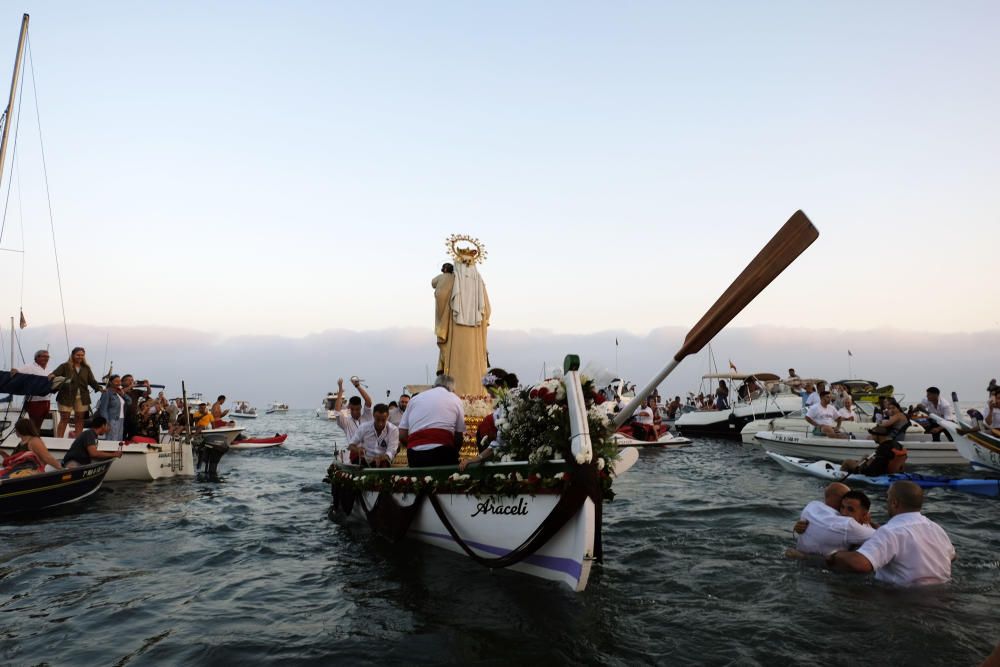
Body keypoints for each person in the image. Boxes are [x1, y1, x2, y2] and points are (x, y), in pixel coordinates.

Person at [827, 480, 956, 586]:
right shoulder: (936, 528)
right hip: (942, 593)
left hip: (903, 599)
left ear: (894, 503)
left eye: (887, 497)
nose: (886, 502)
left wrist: (834, 555)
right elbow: (953, 557)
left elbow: (860, 564)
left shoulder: (890, 532)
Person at [433, 249, 492, 396]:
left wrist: (444, 276)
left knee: (455, 366)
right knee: (475, 369)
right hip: (476, 335)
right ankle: (477, 398)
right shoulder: (479, 282)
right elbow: (488, 310)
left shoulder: (450, 279)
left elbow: (438, 290)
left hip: (455, 331)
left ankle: (453, 395)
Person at [399, 374, 465, 467]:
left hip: (415, 454)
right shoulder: (455, 399)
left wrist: (416, 445)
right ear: (452, 390)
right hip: (443, 452)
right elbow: (459, 437)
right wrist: (454, 452)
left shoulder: (414, 399)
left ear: (434, 386)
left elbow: (402, 435)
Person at [792, 483, 876, 556]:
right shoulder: (847, 524)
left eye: (850, 509)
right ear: (840, 501)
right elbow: (883, 536)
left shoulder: (812, 506)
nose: (844, 513)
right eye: (842, 507)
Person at [459, 369, 519, 470]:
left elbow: (500, 442)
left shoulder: (506, 406)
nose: (490, 396)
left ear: (497, 386)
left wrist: (477, 458)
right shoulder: (512, 400)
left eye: (490, 392)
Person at [51, 346, 103, 438]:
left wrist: (100, 389)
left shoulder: (86, 368)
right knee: (65, 418)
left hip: (82, 397)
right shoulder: (65, 366)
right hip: (66, 396)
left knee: (80, 419)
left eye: (82, 355)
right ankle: (59, 439)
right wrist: (51, 376)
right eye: (78, 355)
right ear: (73, 355)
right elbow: (54, 375)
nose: (80, 357)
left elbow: (92, 381)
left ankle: (78, 440)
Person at [841, 425, 908, 476]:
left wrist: (861, 469)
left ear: (878, 436)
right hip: (891, 471)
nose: (872, 437)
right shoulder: (897, 444)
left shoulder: (883, 449)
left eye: (873, 435)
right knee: (866, 456)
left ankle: (840, 475)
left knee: (847, 462)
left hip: (877, 473)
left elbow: (873, 470)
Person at [12, 350, 54, 430]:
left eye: (48, 357)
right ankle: (32, 439)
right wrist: (14, 371)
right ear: (37, 357)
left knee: (39, 423)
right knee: (34, 423)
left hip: (46, 400)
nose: (46, 358)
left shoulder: (49, 369)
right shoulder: (29, 367)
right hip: (34, 401)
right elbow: (16, 371)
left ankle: (35, 437)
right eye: (44, 356)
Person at [334, 377, 373, 441]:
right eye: (352, 409)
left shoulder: (367, 416)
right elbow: (337, 412)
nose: (354, 412)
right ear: (349, 407)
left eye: (357, 409)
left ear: (361, 407)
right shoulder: (346, 422)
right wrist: (340, 390)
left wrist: (357, 386)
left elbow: (368, 402)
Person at [94, 374, 127, 441]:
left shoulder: (119, 392)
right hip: (112, 419)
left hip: (121, 419)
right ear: (110, 382)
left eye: (119, 381)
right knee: (112, 439)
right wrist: (106, 423)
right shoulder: (107, 392)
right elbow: (103, 409)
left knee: (119, 439)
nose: (118, 383)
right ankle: (109, 451)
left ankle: (116, 451)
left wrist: (123, 394)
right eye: (116, 381)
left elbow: (129, 401)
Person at [121, 374, 151, 440]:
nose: (131, 381)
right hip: (122, 417)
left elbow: (148, 393)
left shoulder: (136, 391)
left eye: (132, 380)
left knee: (133, 437)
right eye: (128, 380)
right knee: (122, 436)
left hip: (133, 418)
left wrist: (148, 386)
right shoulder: (120, 390)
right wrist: (131, 386)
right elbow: (121, 392)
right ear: (122, 382)